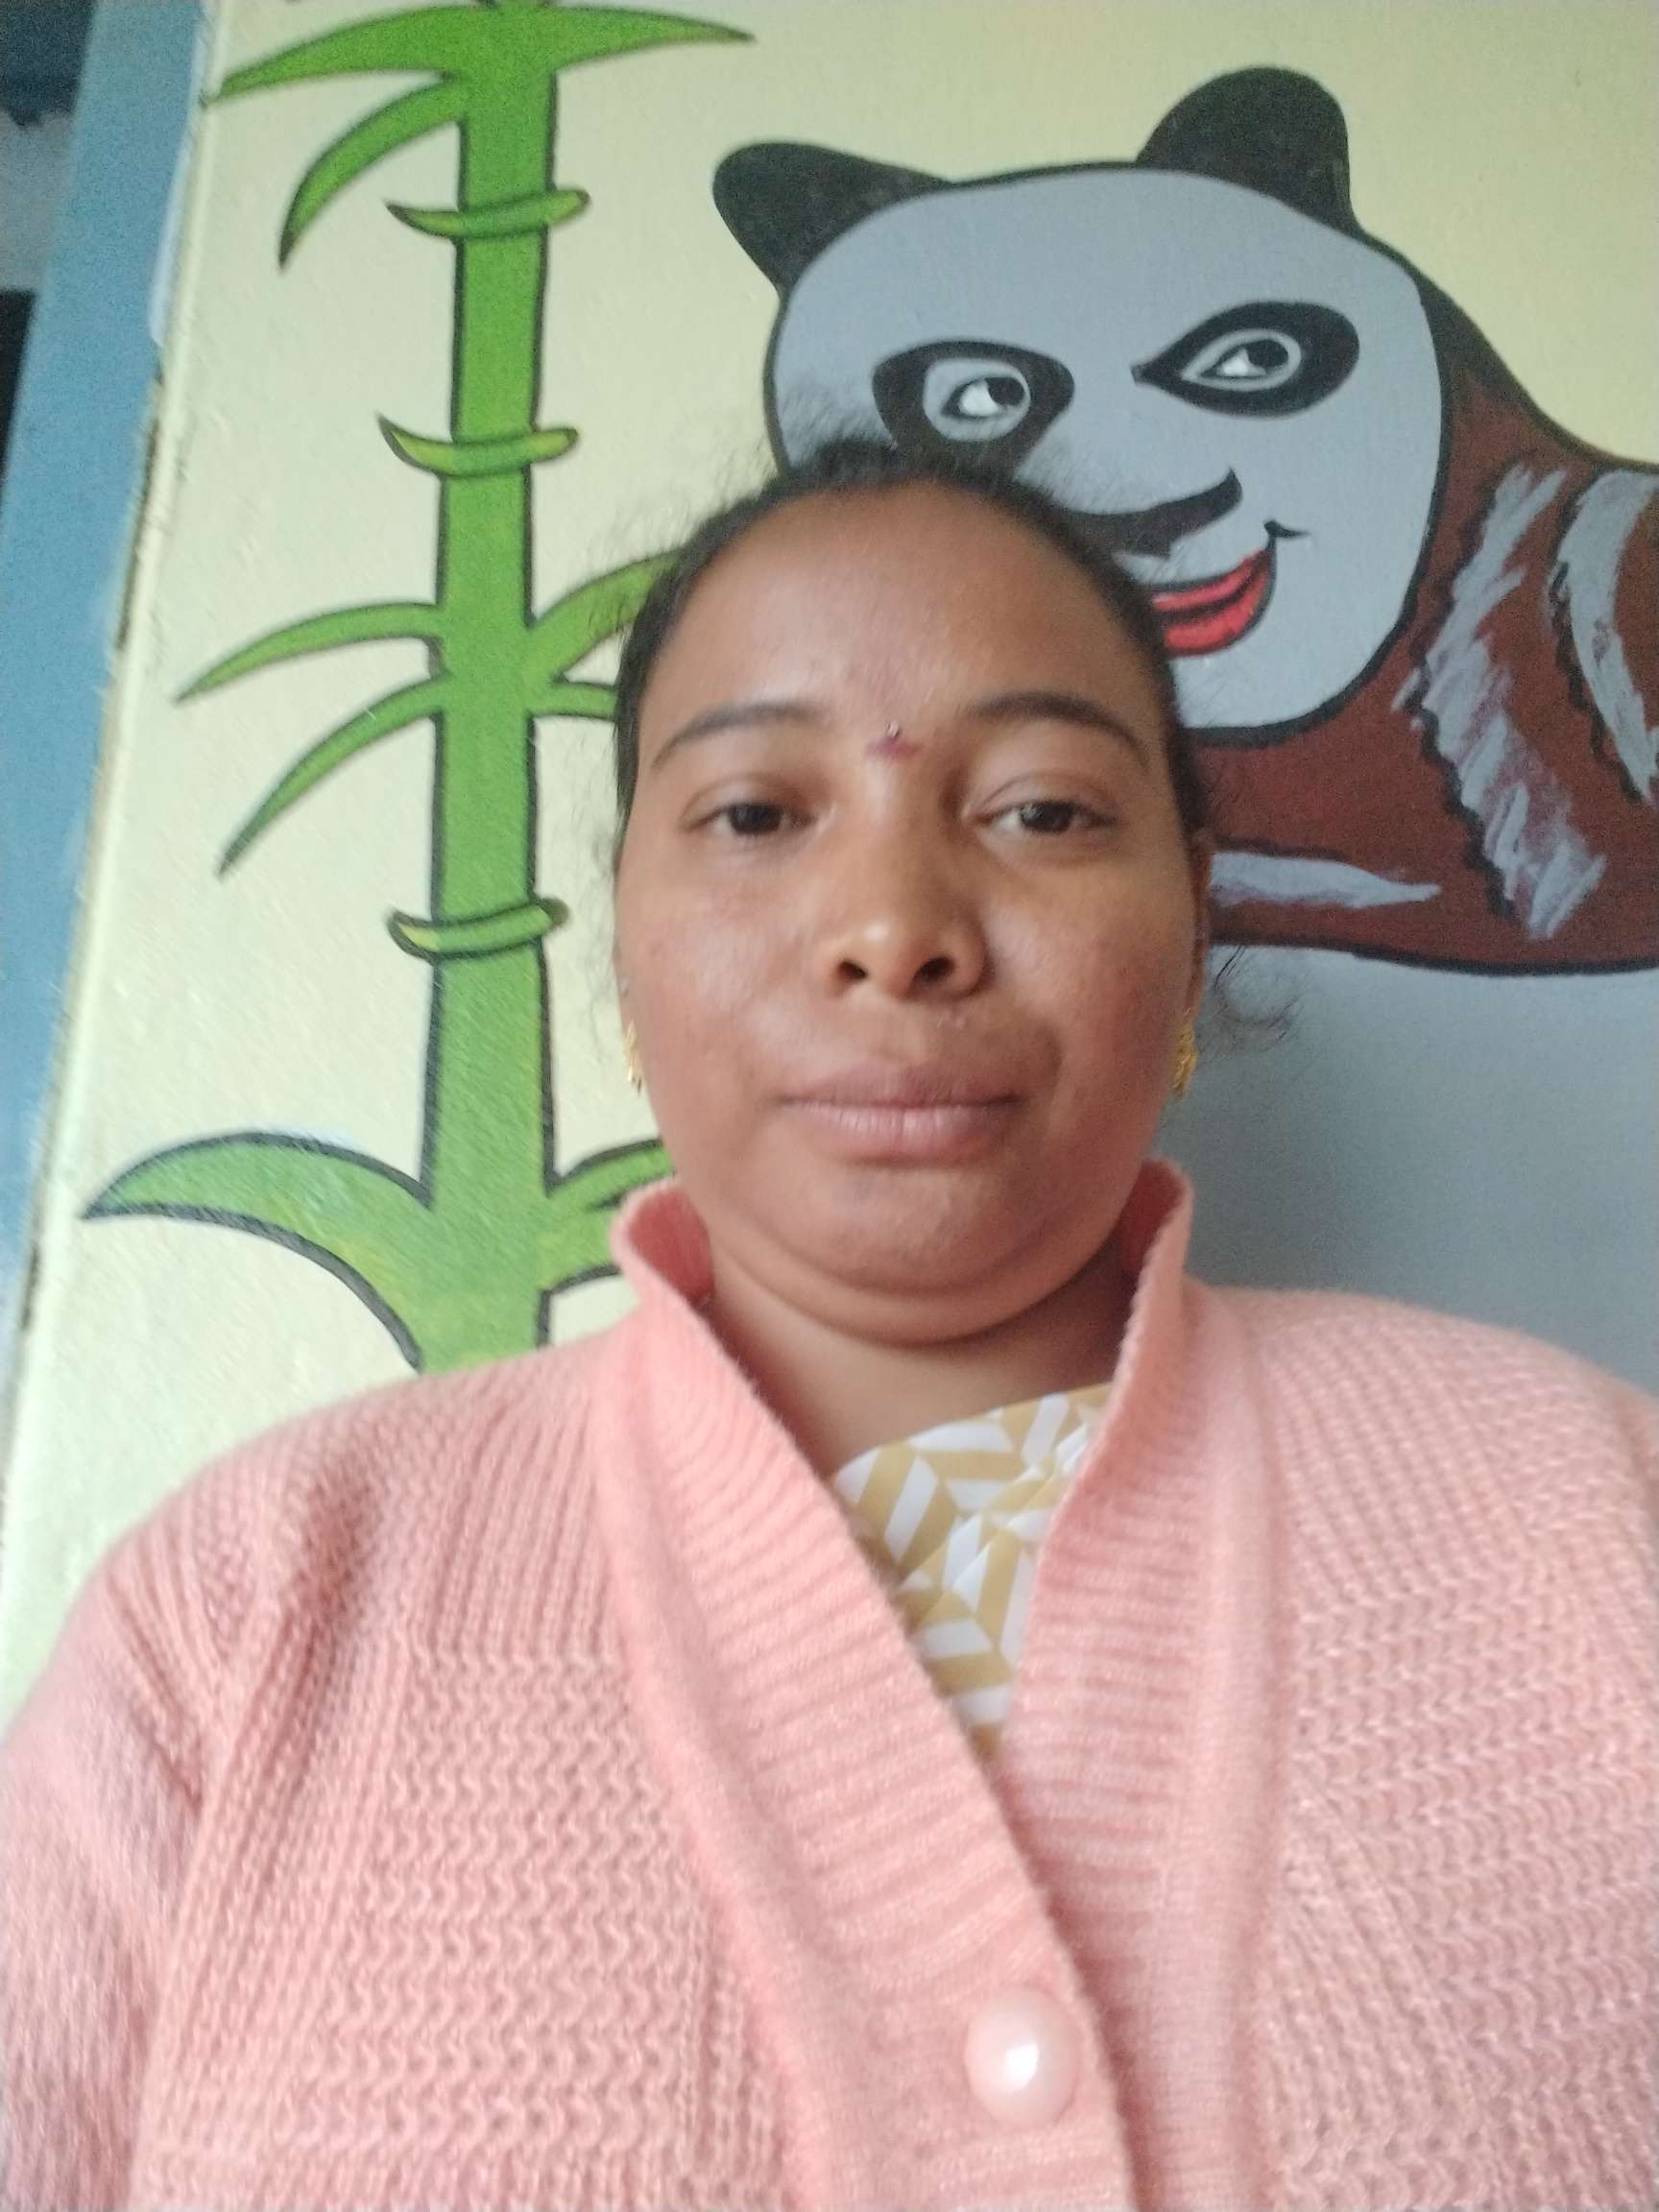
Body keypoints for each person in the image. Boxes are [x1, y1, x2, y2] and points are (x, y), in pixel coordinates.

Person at [2, 438, 1654, 2212]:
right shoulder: (250, 1610)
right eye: (754, 816)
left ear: (1192, 928)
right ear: (623, 945)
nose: (892, 929)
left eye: (1043, 810)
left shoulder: (1591, 1507)